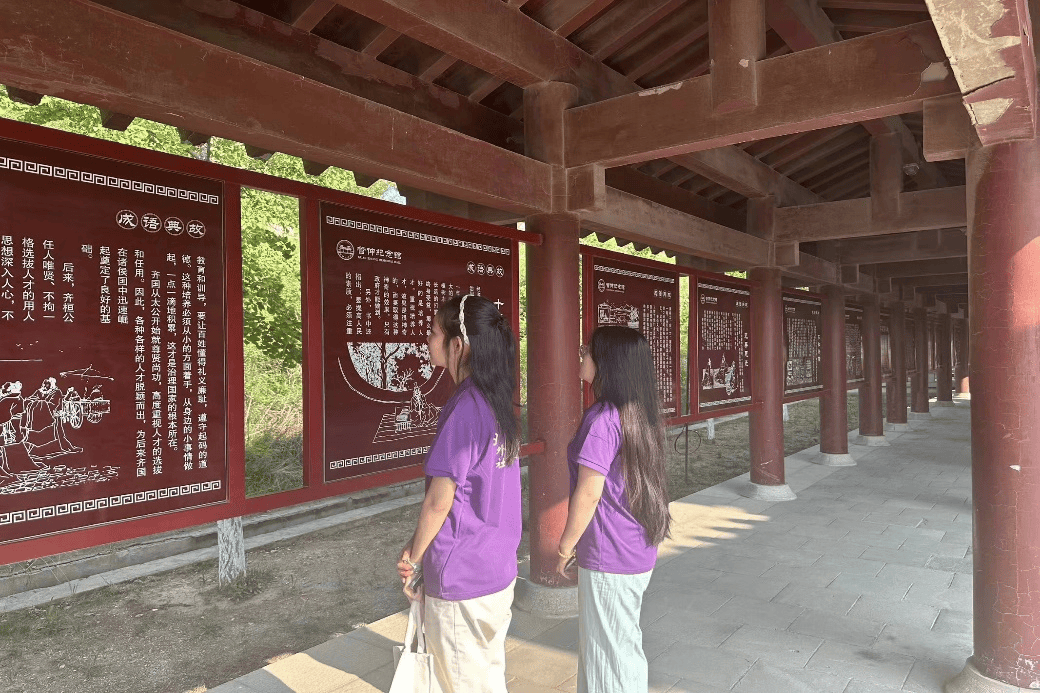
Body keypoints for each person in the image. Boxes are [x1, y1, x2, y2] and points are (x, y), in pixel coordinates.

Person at [396, 294, 522, 693]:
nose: (427, 341)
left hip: (463, 574)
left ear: (458, 345)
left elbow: (440, 499)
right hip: (495, 569)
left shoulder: (465, 408)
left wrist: (413, 558)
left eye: (433, 333)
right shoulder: (496, 401)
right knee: (485, 678)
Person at [556, 325, 672, 693]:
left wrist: (564, 546)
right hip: (634, 543)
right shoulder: (639, 413)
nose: (581, 355)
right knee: (617, 648)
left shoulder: (603, 419)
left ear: (607, 362)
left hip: (610, 550)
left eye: (586, 350)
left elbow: (589, 493)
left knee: (609, 656)